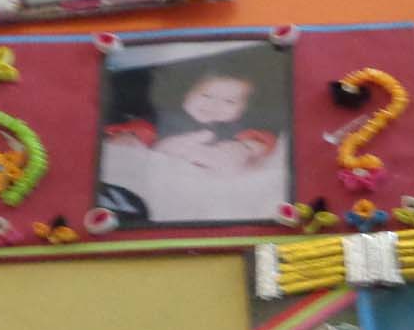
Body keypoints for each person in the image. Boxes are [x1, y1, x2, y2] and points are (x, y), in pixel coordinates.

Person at [98, 65, 285, 224]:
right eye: (206, 95)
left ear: (243, 109)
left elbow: (266, 141)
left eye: (229, 101)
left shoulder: (236, 128)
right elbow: (137, 128)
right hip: (164, 178)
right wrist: (131, 137)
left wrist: (246, 147)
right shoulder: (165, 118)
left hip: (207, 187)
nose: (214, 105)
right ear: (187, 94)